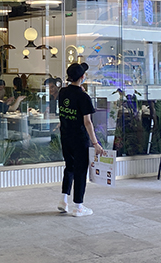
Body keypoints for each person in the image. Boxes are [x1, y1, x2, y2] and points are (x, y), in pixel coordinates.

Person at [57, 63, 106, 217]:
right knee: (80, 171)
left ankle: (63, 200)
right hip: (79, 139)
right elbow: (87, 122)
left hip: (65, 136)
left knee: (69, 167)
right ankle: (78, 206)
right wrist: (95, 143)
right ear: (83, 77)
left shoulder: (63, 92)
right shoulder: (83, 97)